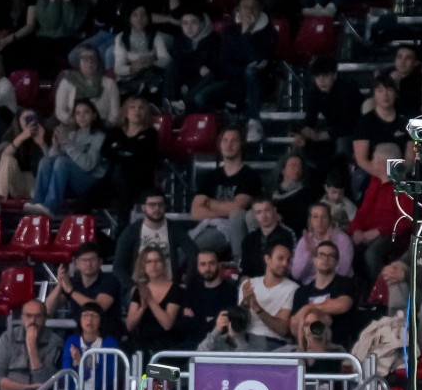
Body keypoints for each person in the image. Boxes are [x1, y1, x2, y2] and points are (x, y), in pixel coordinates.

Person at [190, 127, 262, 264]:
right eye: (225, 140)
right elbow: (195, 212)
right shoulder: (212, 176)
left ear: (241, 144)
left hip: (231, 229)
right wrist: (223, 211)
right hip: (208, 225)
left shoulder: (249, 176)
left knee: (191, 248)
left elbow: (236, 209)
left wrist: (209, 204)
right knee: (179, 246)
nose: (229, 145)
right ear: (219, 145)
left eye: (234, 141)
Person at [0, 301, 65, 390]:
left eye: (37, 316)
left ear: (45, 318)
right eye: (29, 316)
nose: (33, 320)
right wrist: (26, 388)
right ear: (22, 318)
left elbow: (45, 382)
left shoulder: (55, 341)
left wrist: (31, 346)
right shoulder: (8, 337)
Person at [125, 246, 187, 355]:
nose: (153, 265)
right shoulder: (139, 290)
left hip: (168, 349)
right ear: (143, 266)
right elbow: (129, 326)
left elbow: (167, 324)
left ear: (164, 264)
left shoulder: (176, 290)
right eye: (149, 262)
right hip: (143, 348)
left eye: (157, 261)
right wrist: (142, 307)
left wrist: (150, 300)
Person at [241, 241, 299, 350]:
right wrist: (244, 303)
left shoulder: (293, 288)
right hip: (246, 338)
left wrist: (256, 307)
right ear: (267, 259)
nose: (285, 264)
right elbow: (240, 324)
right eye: (280, 258)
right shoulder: (249, 284)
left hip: (273, 341)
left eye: (288, 260)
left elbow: (283, 330)